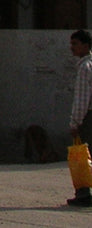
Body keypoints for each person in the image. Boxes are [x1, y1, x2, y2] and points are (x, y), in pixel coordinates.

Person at [68, 29, 92, 207]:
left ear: (86, 46)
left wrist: (75, 122)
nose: (72, 48)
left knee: (82, 155)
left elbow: (82, 99)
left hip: (87, 118)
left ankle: (83, 193)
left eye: (75, 44)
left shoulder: (85, 68)